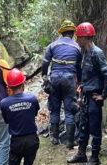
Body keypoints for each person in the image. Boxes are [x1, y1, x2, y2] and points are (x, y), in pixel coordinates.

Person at [67, 22, 107, 165]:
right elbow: (84, 76)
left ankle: (95, 157)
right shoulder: (84, 52)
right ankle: (81, 153)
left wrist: (103, 95)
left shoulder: (96, 53)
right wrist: (80, 94)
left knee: (94, 127)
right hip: (85, 95)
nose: (77, 39)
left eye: (79, 37)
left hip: (94, 96)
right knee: (83, 125)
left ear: (85, 37)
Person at [41, 19, 82, 148]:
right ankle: (69, 141)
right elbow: (79, 68)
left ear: (62, 33)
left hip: (54, 78)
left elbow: (45, 63)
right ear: (73, 33)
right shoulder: (77, 47)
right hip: (69, 79)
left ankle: (54, 138)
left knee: (55, 109)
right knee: (70, 110)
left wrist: (44, 76)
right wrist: (79, 83)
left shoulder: (53, 45)